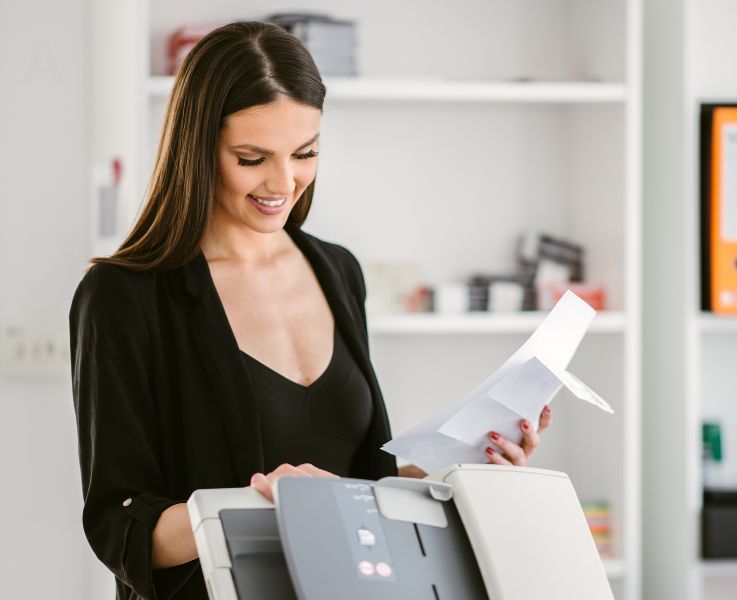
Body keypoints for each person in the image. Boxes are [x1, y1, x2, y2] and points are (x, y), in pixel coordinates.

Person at [69, 21, 553, 600]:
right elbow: (118, 529)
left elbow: (361, 483)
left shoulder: (338, 271)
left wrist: (461, 460)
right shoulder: (125, 296)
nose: (283, 181)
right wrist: (257, 505)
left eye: (305, 152)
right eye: (251, 158)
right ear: (197, 148)